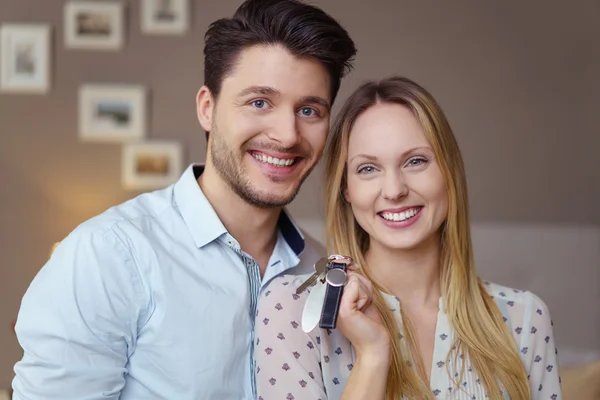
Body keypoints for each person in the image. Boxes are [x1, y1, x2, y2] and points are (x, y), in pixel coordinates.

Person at [11, 1, 356, 399]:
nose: (287, 134)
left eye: (309, 110)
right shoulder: (109, 256)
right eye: (260, 102)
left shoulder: (322, 270)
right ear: (207, 109)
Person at [255, 76, 562, 400]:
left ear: (448, 171)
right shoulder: (294, 310)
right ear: (346, 188)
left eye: (415, 161)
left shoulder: (524, 318)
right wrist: (373, 355)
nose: (395, 190)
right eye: (368, 169)